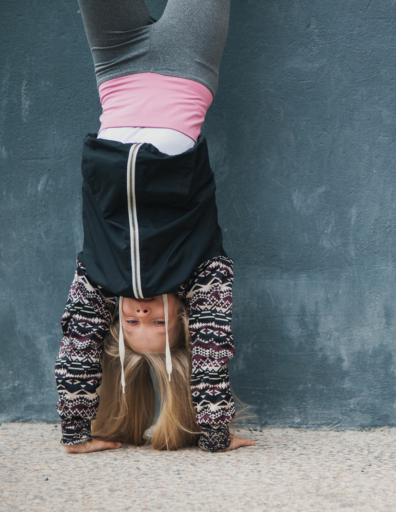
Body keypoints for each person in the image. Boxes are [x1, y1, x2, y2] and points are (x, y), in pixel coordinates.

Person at [55, 0, 254, 453]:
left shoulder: (98, 277)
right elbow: (210, 355)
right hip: (189, 65)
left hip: (117, 65)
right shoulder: (203, 274)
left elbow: (77, 349)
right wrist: (216, 435)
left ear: (114, 316)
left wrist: (75, 436)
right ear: (183, 316)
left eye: (130, 321)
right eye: (158, 321)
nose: (142, 312)